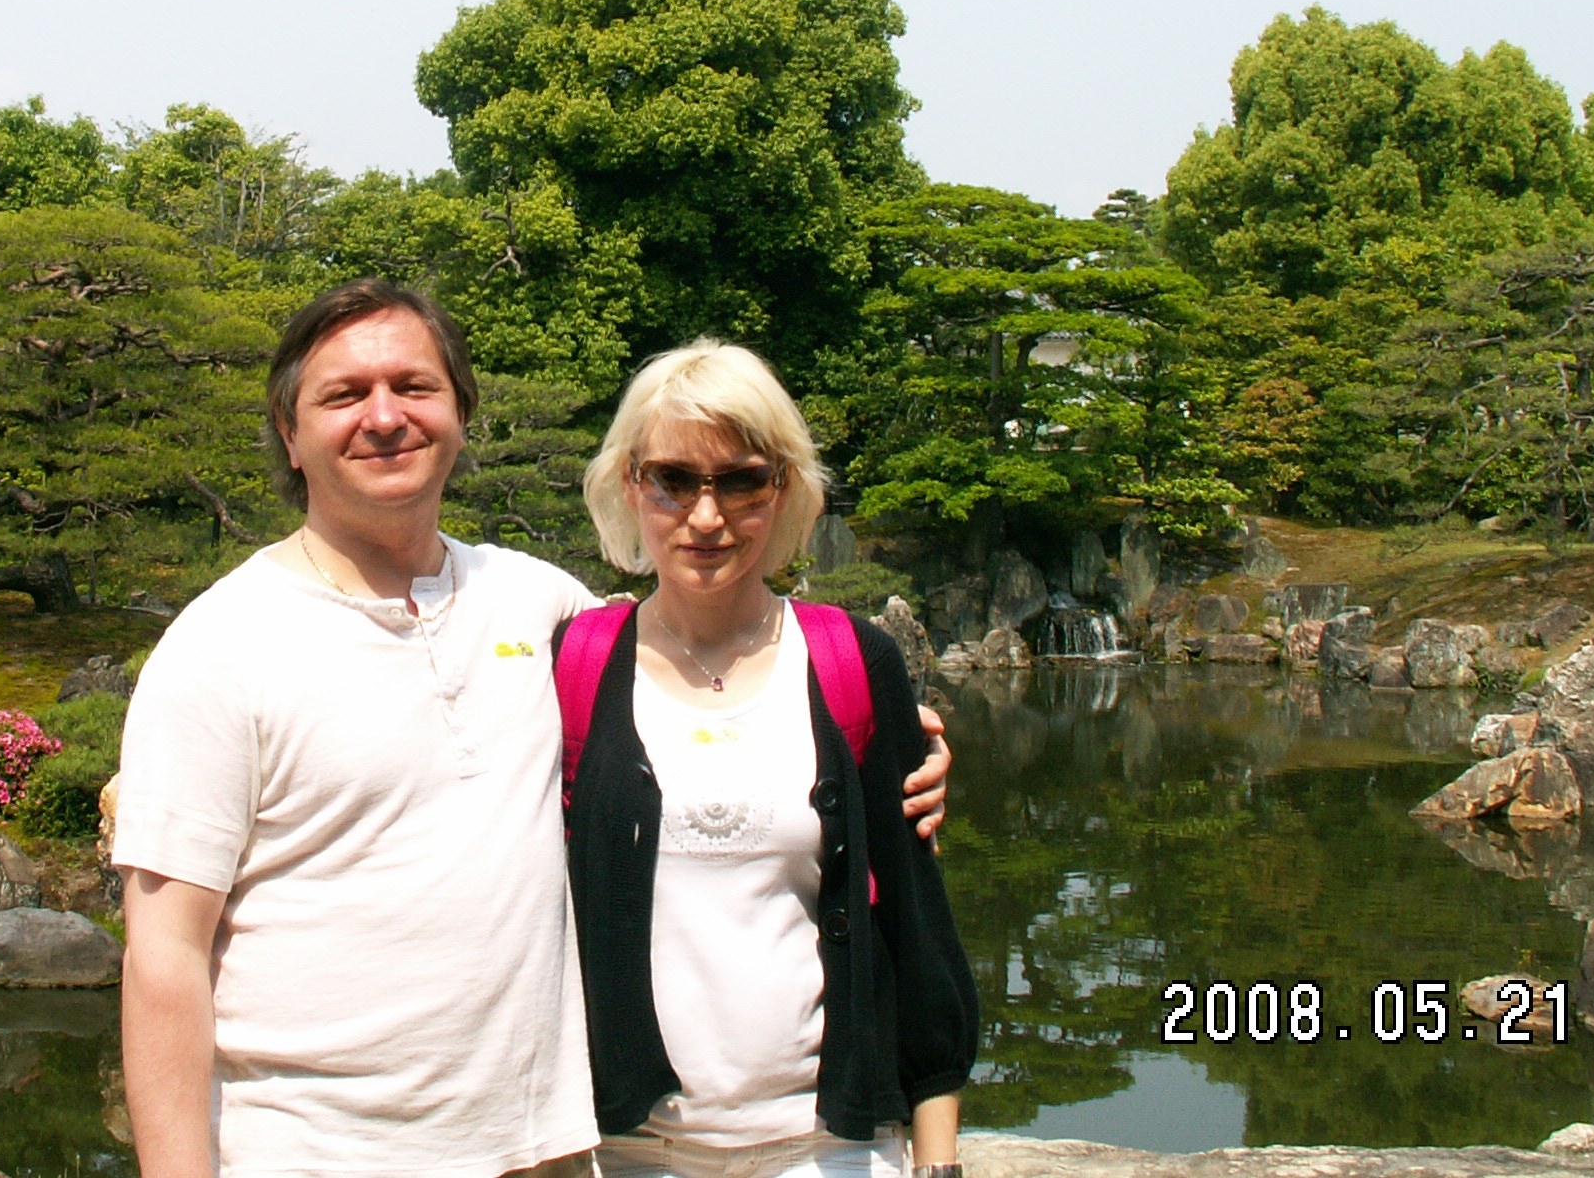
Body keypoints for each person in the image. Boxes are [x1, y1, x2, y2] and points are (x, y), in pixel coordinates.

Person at [112, 280, 952, 1178]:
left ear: (461, 413)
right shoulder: (221, 644)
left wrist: (896, 747)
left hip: (539, 1150)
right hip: (310, 1149)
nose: (385, 417)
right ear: (289, 432)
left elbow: (699, 677)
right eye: (345, 394)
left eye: (415, 386)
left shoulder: (535, 606)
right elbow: (164, 957)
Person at [561, 341, 977, 1178]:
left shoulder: (852, 661)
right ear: (630, 483)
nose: (705, 517)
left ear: (783, 488)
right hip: (631, 1147)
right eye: (672, 480)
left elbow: (918, 930)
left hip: (828, 1146)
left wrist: (938, 1163)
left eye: (741, 481)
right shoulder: (575, 664)